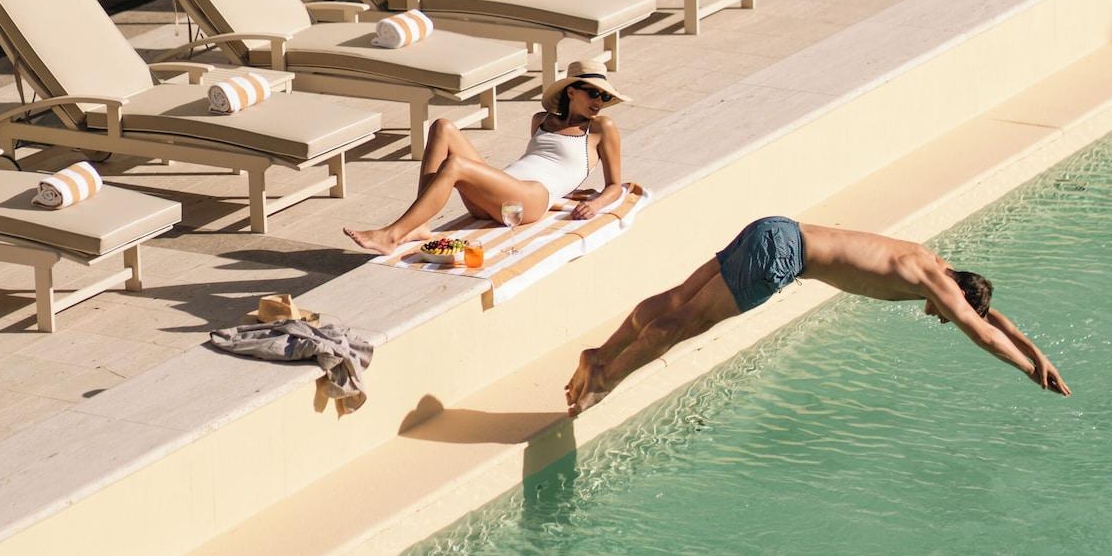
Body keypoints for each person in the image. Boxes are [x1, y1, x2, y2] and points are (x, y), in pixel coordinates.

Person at [566, 214, 1068, 415]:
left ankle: (598, 355)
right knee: (686, 322)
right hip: (784, 259)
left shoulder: (934, 263)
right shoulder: (938, 284)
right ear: (956, 295)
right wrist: (1027, 372)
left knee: (675, 299)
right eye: (948, 314)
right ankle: (605, 380)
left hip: (777, 227)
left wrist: (1039, 352)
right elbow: (980, 332)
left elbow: (989, 315)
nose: (941, 318)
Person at [344, 58, 626, 257]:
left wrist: (596, 204)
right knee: (442, 126)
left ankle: (391, 235)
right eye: (593, 93)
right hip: (500, 196)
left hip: (530, 200)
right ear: (572, 91)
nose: (599, 102)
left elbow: (615, 185)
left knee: (455, 165)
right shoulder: (541, 119)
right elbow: (536, 160)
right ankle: (420, 225)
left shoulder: (602, 128)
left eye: (603, 96)